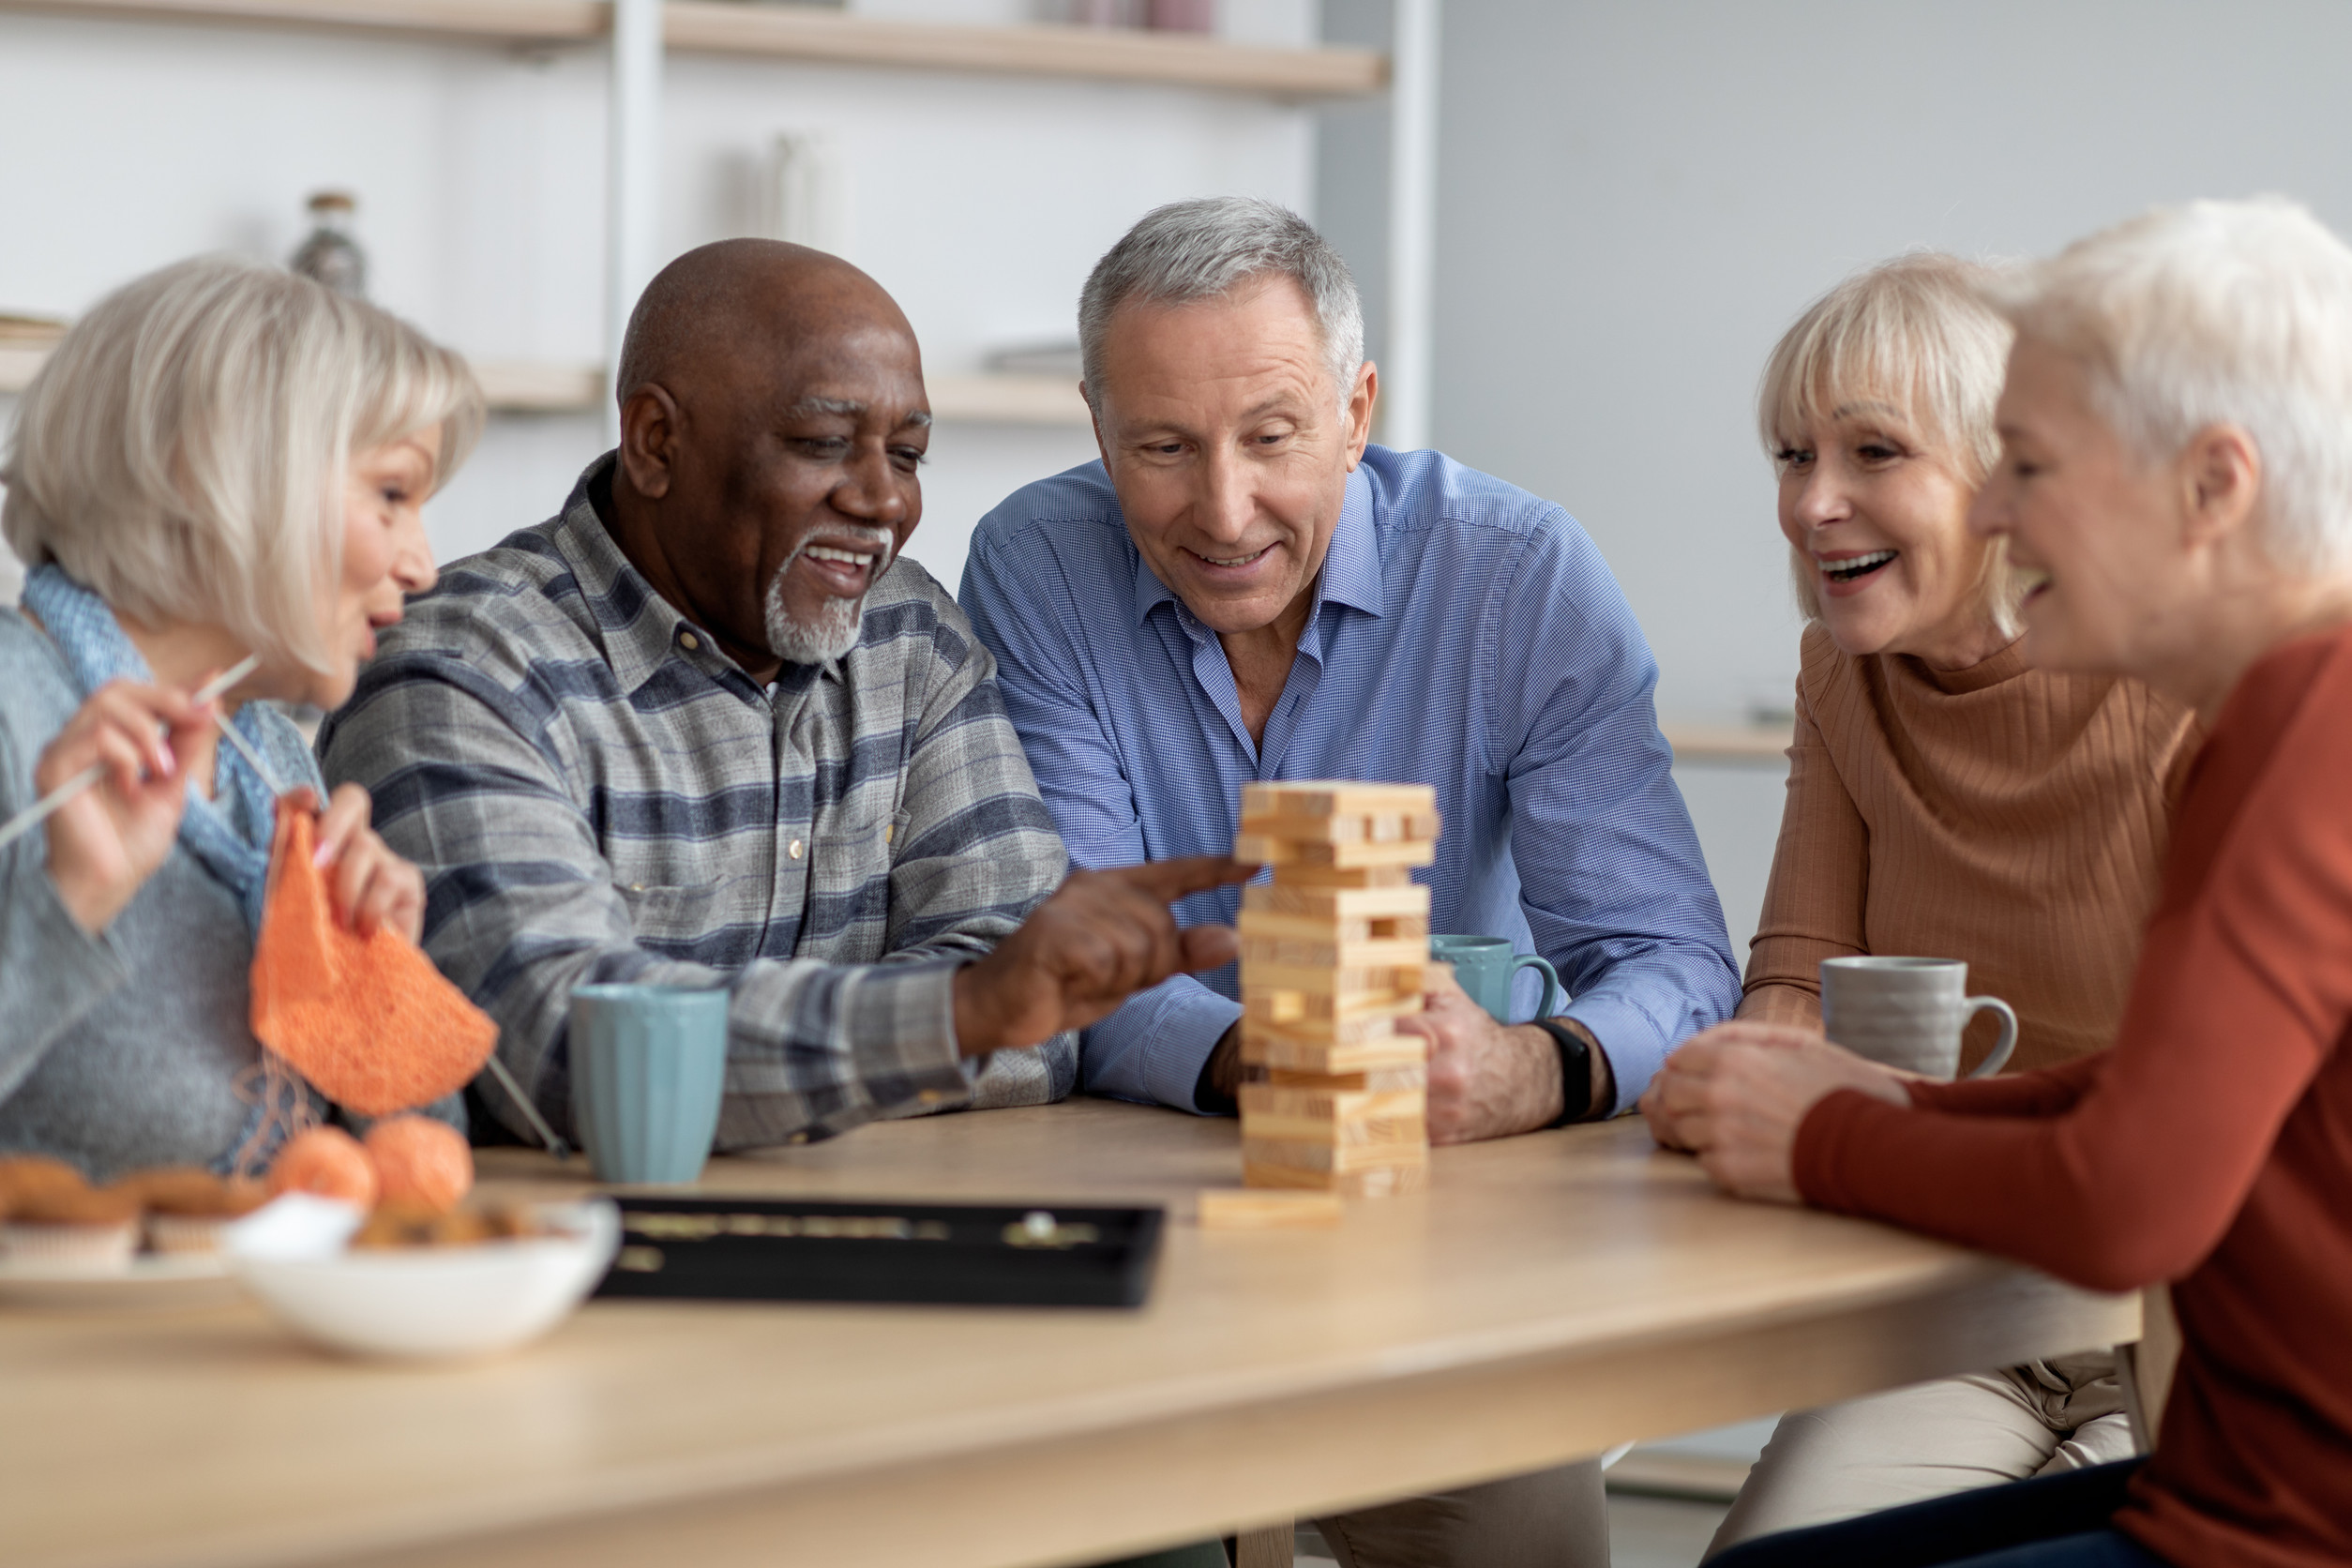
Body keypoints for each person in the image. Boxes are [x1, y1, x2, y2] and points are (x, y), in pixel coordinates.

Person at [960, 196, 1738, 1568]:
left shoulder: (1519, 578)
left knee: (1518, 1535)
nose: (1222, 509)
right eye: (1161, 447)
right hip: (1143, 1210)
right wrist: (1287, 1061)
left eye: (1271, 437)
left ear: (1357, 410)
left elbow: (1673, 963)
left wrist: (1528, 1071)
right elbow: (1067, 954)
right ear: (1096, 428)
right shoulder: (1036, 564)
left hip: (1440, 1228)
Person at [1665, 196, 2352, 1568]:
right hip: (2226, 1468)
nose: (1992, 509)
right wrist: (1877, 1101)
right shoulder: (2284, 711)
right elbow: (2144, 1093)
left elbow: (2127, 1200)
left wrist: (1824, 1136)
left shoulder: (2299, 731)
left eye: (2028, 464)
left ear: (2214, 488)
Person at [320, 240, 1250, 1154]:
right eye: (821, 444)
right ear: (656, 442)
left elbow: (1041, 1027)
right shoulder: (460, 668)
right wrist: (954, 1015)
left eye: (911, 455)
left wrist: (964, 1016)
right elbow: (560, 1053)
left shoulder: (908, 635)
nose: (884, 500)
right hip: (564, 1264)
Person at [0, 255, 477, 1181]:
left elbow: (417, 1174)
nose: (422, 564)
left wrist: (374, 980)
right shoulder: (16, 710)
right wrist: (69, 902)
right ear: (218, 470)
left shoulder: (267, 757)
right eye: (391, 495)